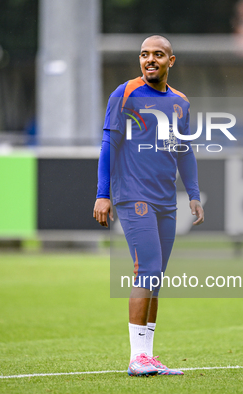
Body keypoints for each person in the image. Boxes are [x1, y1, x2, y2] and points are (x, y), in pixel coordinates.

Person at [93, 35, 204, 377]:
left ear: (172, 61)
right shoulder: (125, 93)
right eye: (144, 54)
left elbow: (184, 151)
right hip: (132, 195)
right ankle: (136, 357)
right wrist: (103, 193)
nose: (150, 59)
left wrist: (194, 193)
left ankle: (148, 356)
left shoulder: (180, 102)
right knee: (148, 268)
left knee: (156, 277)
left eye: (158, 54)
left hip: (165, 201)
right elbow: (109, 142)